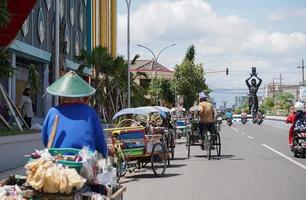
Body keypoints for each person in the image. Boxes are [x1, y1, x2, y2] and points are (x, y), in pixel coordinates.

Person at [41, 71, 108, 157]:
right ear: (81, 97)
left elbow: (45, 138)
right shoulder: (90, 113)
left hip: (57, 160)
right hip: (84, 160)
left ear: (62, 96)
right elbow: (99, 141)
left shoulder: (52, 112)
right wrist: (105, 152)